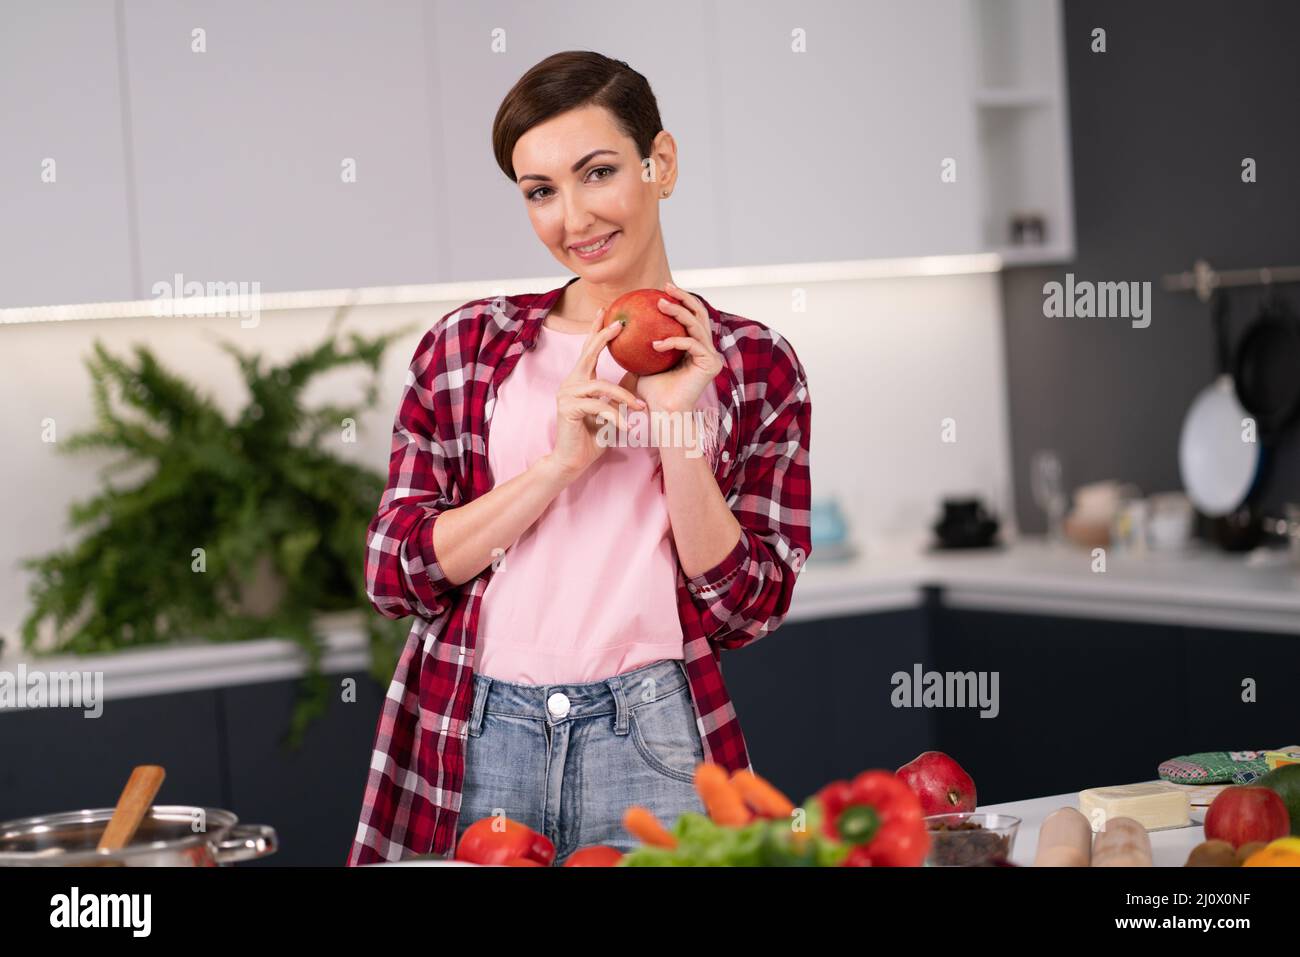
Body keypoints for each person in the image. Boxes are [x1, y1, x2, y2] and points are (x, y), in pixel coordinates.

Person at [348, 50, 812, 866]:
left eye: (597, 173)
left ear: (659, 162)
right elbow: (395, 573)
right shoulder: (468, 345)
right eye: (540, 192)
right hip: (478, 724)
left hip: (656, 731)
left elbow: (749, 608)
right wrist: (557, 465)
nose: (574, 219)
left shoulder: (753, 364)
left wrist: (675, 431)